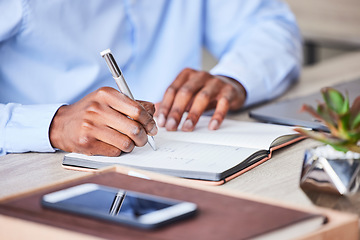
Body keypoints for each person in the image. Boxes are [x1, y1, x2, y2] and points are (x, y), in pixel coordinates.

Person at [0, 0, 302, 157]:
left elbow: (268, 24)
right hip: (40, 165)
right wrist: (53, 125)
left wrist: (233, 78)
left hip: (187, 145)